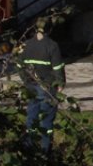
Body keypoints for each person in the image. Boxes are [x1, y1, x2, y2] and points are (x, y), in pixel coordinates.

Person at [20, 21, 65, 154]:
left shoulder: (26, 45)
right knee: (47, 120)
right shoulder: (52, 46)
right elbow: (57, 68)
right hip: (48, 88)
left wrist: (26, 80)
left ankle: (28, 149)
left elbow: (18, 65)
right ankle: (45, 151)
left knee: (31, 117)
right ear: (49, 30)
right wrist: (60, 84)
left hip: (31, 87)